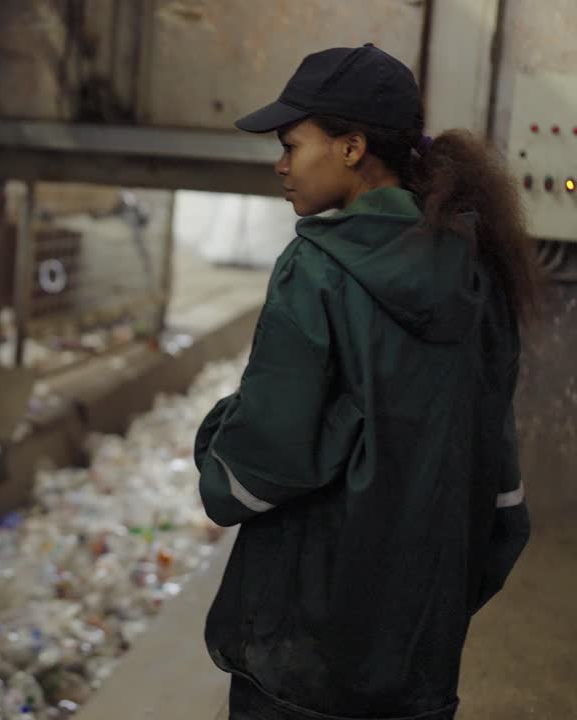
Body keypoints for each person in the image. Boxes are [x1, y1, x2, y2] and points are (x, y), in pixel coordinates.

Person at [194, 44, 538, 719]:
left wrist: (214, 438)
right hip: (420, 666)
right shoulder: (484, 271)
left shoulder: (315, 267)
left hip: (303, 657)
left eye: (292, 145)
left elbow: (252, 474)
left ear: (351, 147)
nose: (281, 164)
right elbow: (502, 499)